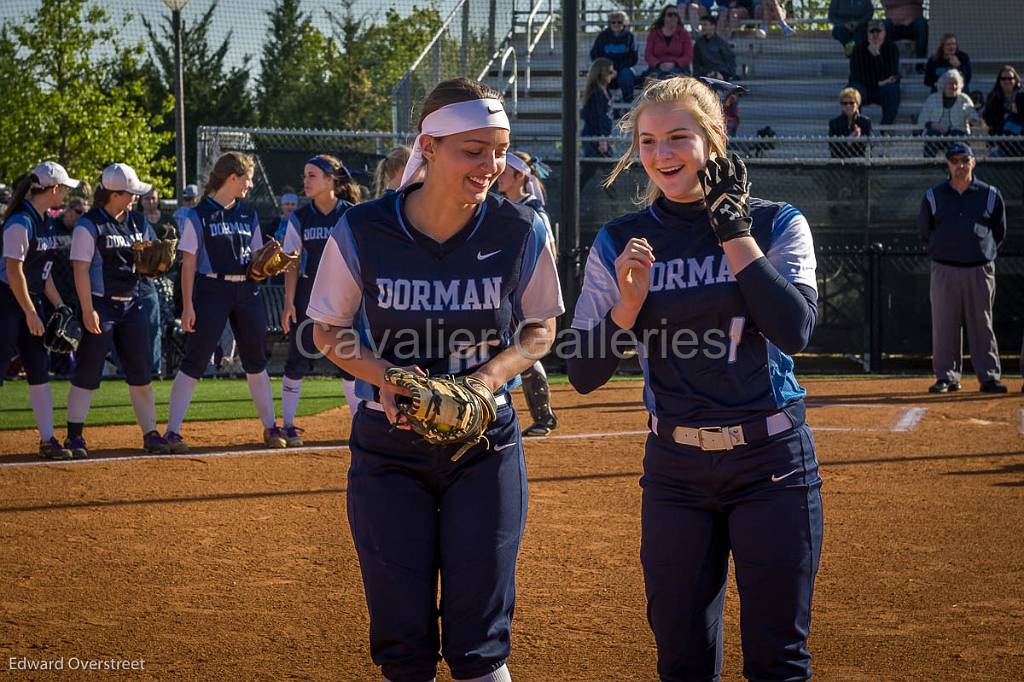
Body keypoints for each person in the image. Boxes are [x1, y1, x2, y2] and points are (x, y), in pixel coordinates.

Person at [567, 76, 822, 681]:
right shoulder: (618, 242)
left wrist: (733, 232)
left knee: (778, 660)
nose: (662, 155)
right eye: (648, 141)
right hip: (676, 472)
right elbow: (581, 372)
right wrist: (626, 305)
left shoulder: (777, 221)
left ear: (713, 138)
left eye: (678, 137)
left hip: (773, 464)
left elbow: (795, 329)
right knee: (681, 659)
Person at [308, 77, 563, 682]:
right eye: (473, 150)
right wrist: (388, 376)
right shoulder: (365, 228)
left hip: (485, 444)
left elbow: (541, 327)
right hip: (389, 446)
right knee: (403, 643)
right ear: (428, 145)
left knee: (480, 642)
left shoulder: (520, 228)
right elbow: (327, 331)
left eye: (498, 150)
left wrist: (485, 379)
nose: (491, 165)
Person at [164, 151, 287, 453]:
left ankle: (271, 427)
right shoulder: (199, 214)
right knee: (196, 359)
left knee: (256, 359)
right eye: (247, 178)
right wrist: (188, 306)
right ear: (232, 177)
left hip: (246, 290)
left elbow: (258, 257)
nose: (250, 184)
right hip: (211, 289)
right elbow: (189, 264)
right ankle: (172, 431)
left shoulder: (248, 214)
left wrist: (269, 263)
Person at [65, 163, 171, 458]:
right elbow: (80, 270)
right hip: (102, 305)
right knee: (88, 371)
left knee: (141, 374)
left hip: (134, 304)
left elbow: (147, 260)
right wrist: (88, 309)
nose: (136, 197)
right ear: (115, 194)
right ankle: (75, 435)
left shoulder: (137, 221)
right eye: (131, 193)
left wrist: (156, 264)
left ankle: (150, 432)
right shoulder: (90, 224)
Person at [1, 162, 80, 460]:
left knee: (38, 369)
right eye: (65, 188)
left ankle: (48, 439)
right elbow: (13, 272)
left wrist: (59, 305)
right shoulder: (21, 222)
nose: (66, 194)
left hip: (30, 301)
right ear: (54, 189)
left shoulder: (46, 220)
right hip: (8, 302)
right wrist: (31, 312)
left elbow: (42, 274)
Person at [278, 155, 357, 446]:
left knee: (349, 360)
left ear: (330, 180)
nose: (306, 181)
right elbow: (291, 264)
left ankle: (358, 426)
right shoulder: (300, 217)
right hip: (309, 295)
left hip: (345, 295)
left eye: (312, 175)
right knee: (297, 358)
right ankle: (287, 425)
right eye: (305, 175)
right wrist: (288, 303)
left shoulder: (349, 213)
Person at [919, 142, 1006, 394]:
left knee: (983, 324)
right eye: (955, 160)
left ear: (973, 162)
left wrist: (981, 252)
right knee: (944, 324)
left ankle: (989, 377)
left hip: (979, 270)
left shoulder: (990, 194)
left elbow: (998, 231)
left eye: (965, 160)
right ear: (948, 164)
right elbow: (926, 231)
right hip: (944, 269)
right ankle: (947, 377)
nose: (960, 165)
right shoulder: (933, 196)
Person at [497, 150, 559, 436]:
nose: (498, 175)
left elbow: (549, 253)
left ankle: (544, 417)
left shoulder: (533, 210)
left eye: (505, 171)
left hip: (526, 290)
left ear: (520, 175)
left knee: (525, 348)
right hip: (507, 289)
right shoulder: (502, 207)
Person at [919, 69, 983, 158]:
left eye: (956, 83)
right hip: (938, 135)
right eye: (950, 83)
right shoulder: (932, 99)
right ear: (943, 84)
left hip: (957, 135)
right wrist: (934, 125)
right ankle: (929, 165)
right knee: (932, 135)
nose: (953, 86)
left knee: (955, 134)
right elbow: (922, 120)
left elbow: (972, 114)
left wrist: (975, 121)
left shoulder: (964, 99)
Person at [848, 19, 901, 125]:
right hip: (864, 89)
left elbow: (890, 73)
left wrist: (877, 55)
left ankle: (885, 128)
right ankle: (857, 127)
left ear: (884, 33)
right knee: (851, 91)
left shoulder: (892, 48)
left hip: (883, 90)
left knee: (893, 89)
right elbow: (856, 76)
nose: (875, 35)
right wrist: (878, 82)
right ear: (867, 34)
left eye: (878, 31)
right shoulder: (858, 49)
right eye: (872, 32)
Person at [139, 188, 165, 378]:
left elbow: (156, 249)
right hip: (123, 285)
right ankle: (127, 370)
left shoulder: (139, 222)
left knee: (153, 327)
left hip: (148, 282)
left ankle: (154, 370)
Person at [581, 58, 616, 190]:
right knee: (606, 170)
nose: (613, 74)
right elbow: (597, 117)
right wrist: (601, 139)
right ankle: (615, 203)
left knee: (598, 170)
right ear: (602, 73)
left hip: (599, 136)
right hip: (594, 137)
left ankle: (614, 202)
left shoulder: (603, 91)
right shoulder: (596, 93)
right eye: (610, 71)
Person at [590, 11, 639, 103]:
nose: (616, 24)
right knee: (598, 75)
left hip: (623, 70)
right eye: (613, 22)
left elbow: (633, 58)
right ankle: (606, 102)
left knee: (627, 74)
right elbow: (595, 54)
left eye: (619, 22)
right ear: (610, 23)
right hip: (606, 70)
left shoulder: (630, 37)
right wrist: (608, 69)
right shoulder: (602, 36)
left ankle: (628, 103)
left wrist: (618, 69)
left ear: (624, 23)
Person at [644, 5, 694, 81]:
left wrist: (675, 64)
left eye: (676, 15)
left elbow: (688, 56)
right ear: (664, 17)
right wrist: (658, 64)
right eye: (670, 14)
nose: (673, 17)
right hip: (657, 67)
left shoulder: (684, 34)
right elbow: (648, 55)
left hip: (679, 68)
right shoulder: (654, 33)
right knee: (658, 76)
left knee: (669, 76)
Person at [983, 66, 1024, 157]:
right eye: (1003, 78)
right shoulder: (993, 97)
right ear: (999, 81)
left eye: (1010, 78)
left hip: (1019, 134)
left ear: (1015, 80)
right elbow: (988, 117)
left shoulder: (1021, 96)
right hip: (1000, 135)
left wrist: (1017, 113)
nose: (1007, 81)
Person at [829, 86, 873, 158]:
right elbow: (833, 148)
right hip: (839, 164)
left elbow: (870, 146)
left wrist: (859, 138)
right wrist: (848, 141)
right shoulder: (834, 123)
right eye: (845, 103)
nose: (848, 106)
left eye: (851, 103)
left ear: (858, 104)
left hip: (860, 162)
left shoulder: (865, 122)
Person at [693, 15, 737, 81]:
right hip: (705, 74)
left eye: (705, 25)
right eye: (702, 25)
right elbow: (696, 62)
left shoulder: (721, 42)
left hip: (721, 73)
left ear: (713, 26)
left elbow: (730, 60)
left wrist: (725, 74)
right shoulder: (699, 43)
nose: (702, 27)